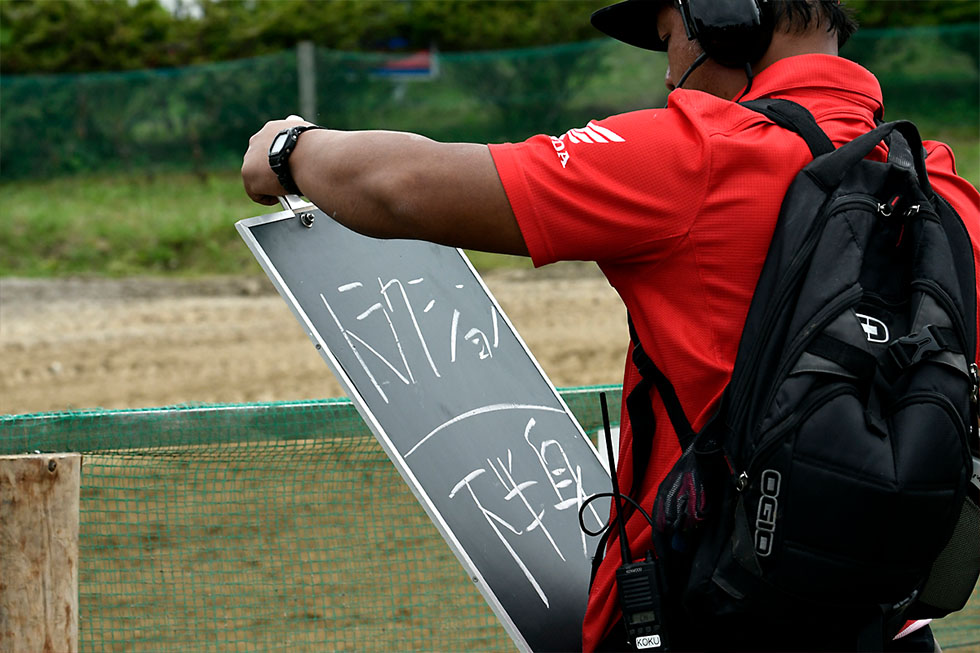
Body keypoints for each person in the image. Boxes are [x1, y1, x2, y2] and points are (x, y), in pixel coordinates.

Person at [243, 1, 980, 650]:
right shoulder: (942, 185)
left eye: (669, 37)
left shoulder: (699, 155)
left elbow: (399, 186)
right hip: (883, 619)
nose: (671, 73)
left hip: (713, 614)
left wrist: (290, 149)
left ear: (722, 17)